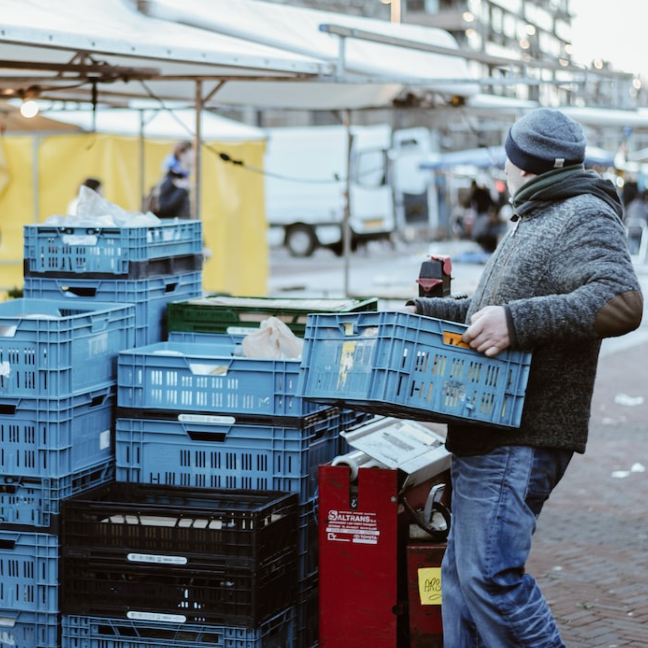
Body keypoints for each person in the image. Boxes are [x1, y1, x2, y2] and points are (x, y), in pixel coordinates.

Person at [405, 108, 643, 647]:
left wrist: (517, 322)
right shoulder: (534, 216)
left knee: (490, 578)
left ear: (521, 163)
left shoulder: (582, 213)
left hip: (522, 432)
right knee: (462, 582)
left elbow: (623, 302)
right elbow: (488, 309)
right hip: (489, 429)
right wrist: (425, 313)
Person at [155, 140, 194, 219]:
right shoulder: (171, 179)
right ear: (181, 154)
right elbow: (162, 208)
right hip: (172, 229)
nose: (194, 156)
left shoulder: (182, 178)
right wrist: (183, 190)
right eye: (191, 152)